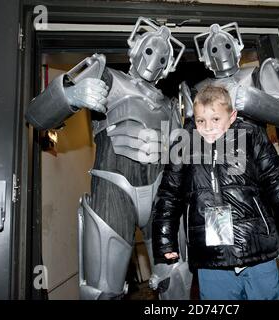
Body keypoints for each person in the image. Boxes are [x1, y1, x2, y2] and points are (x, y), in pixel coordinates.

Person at [25, 17, 192, 300]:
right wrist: (72, 95)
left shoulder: (170, 104)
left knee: (176, 280)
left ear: (168, 66)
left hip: (161, 195)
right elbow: (37, 116)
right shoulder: (107, 77)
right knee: (102, 289)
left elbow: (181, 159)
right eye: (150, 50)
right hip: (113, 189)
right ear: (135, 48)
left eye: (162, 57)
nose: (154, 60)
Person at [152, 85, 279, 300]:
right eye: (201, 121)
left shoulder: (252, 136)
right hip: (212, 257)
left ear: (232, 115)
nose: (208, 127)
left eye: (216, 119)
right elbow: (169, 194)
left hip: (256, 249)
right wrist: (164, 239)